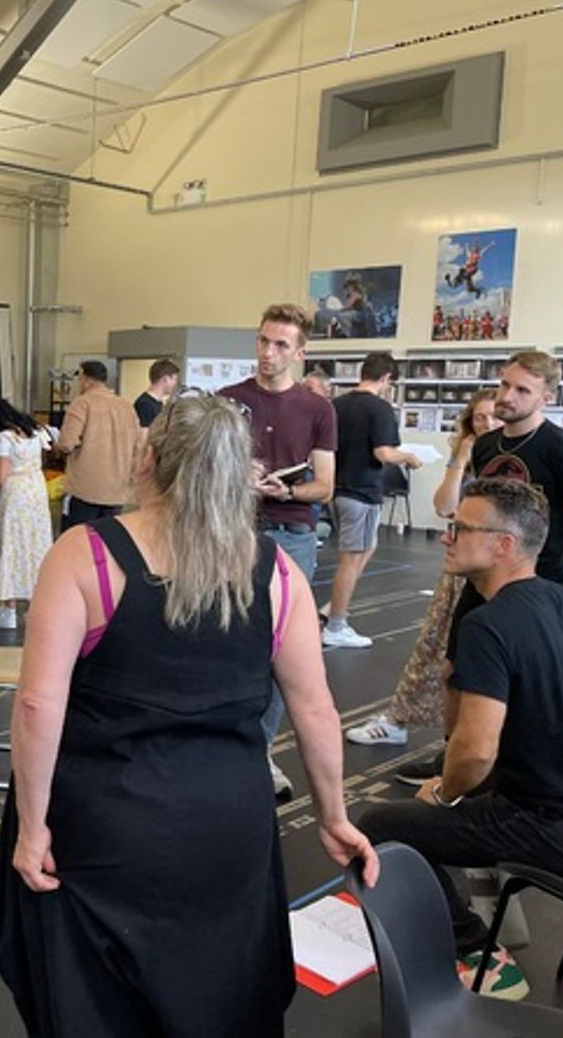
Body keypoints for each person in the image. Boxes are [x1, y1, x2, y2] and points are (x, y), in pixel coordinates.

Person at [0, 395, 376, 1037]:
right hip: (228, 824)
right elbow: (314, 707)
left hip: (105, 823)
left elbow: (37, 703)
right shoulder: (278, 574)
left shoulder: (85, 555)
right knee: (217, 990)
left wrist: (32, 827)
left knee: (97, 1002)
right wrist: (333, 816)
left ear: (148, 460)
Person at [356, 478, 563, 999]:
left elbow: (474, 752)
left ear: (503, 545)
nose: (446, 537)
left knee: (380, 825)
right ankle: (497, 910)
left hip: (556, 833)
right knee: (477, 795)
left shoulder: (487, 626)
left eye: (460, 529)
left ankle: (478, 951)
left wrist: (443, 791)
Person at [395, 351, 563, 785]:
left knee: (526, 686)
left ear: (546, 397)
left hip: (540, 584)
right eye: (504, 385)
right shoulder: (488, 445)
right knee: (455, 673)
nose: (507, 396)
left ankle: (511, 771)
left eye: (522, 390)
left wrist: (529, 555)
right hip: (482, 584)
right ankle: (455, 761)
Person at [221, 304, 337, 798]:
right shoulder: (228, 401)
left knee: (280, 650)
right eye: (263, 341)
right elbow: (206, 467)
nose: (268, 353)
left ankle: (260, 751)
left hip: (291, 533)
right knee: (222, 638)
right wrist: (237, 475)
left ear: (299, 352)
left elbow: (325, 485)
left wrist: (286, 490)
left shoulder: (318, 410)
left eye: (281, 345)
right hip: (232, 531)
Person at [347, 390, 501, 746]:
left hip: (497, 570)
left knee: (481, 654)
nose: (487, 424)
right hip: (460, 566)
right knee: (434, 644)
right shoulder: (467, 457)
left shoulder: (514, 459)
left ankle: (470, 738)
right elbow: (445, 507)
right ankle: (400, 718)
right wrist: (461, 459)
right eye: (480, 418)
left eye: (494, 416)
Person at [322, 352, 422, 648]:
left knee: (368, 546)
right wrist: (410, 458)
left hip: (336, 489)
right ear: (387, 377)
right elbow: (383, 452)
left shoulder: (336, 405)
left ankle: (333, 606)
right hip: (361, 492)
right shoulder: (379, 408)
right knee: (352, 558)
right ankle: (336, 624)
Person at [0, 396, 55, 631]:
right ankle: (35, 607)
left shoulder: (4, 438)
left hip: (15, 493)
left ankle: (9, 609)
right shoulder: (35, 431)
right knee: (36, 545)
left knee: (12, 545)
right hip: (36, 489)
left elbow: (1, 476)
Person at [53, 360, 140, 530]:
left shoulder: (82, 403)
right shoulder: (126, 406)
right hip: (117, 490)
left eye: (79, 379)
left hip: (85, 489)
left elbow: (67, 443)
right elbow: (138, 444)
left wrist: (57, 445)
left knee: (78, 537)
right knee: (106, 539)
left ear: (86, 379)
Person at [133, 358, 180, 429]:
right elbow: (144, 434)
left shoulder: (158, 403)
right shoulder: (144, 405)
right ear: (165, 379)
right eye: (174, 379)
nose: (175, 383)